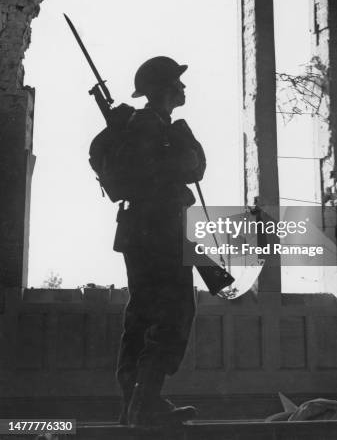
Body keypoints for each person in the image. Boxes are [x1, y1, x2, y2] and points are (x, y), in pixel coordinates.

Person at [113, 56, 206, 428]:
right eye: (177, 83)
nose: (183, 88)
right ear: (164, 89)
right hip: (160, 230)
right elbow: (193, 168)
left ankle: (134, 405)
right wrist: (181, 134)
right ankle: (145, 403)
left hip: (141, 230)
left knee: (142, 315)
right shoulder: (154, 128)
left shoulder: (141, 126)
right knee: (173, 314)